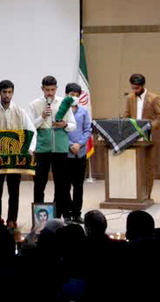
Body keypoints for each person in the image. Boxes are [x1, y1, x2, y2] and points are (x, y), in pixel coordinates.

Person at [0, 80, 36, 226]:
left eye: (9, 92)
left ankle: (12, 221)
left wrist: (30, 149)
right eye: (4, 92)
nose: (7, 95)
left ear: (13, 93)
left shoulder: (20, 112)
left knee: (14, 192)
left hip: (15, 161)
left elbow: (32, 131)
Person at [28, 76, 76, 221]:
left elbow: (73, 125)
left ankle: (57, 215)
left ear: (56, 89)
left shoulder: (64, 103)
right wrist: (42, 117)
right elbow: (30, 127)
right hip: (42, 150)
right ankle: (38, 217)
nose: (50, 93)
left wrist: (64, 125)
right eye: (47, 90)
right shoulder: (34, 104)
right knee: (39, 183)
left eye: (52, 90)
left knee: (61, 184)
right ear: (42, 89)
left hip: (60, 149)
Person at [123, 73, 160, 199]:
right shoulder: (130, 98)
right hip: (133, 137)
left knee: (147, 166)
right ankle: (134, 193)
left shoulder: (154, 98)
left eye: (137, 88)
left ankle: (147, 194)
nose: (135, 90)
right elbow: (127, 115)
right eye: (133, 88)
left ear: (143, 85)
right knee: (133, 166)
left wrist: (149, 128)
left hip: (148, 136)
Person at [66, 83, 92, 223]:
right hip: (66, 153)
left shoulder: (83, 111)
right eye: (72, 95)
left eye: (77, 95)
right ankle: (67, 213)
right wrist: (70, 145)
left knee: (78, 185)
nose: (74, 97)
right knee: (65, 185)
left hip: (80, 153)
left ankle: (76, 213)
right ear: (66, 95)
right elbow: (59, 131)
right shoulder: (61, 112)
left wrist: (79, 144)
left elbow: (87, 130)